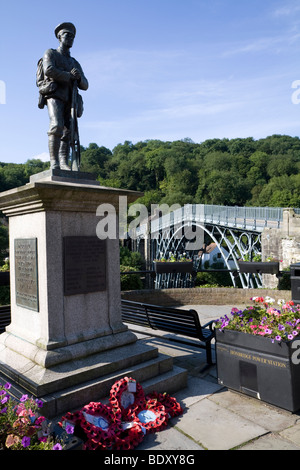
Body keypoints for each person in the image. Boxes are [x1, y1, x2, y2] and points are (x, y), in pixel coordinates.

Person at [38, 22, 88, 170]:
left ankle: (64, 162)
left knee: (68, 131)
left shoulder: (74, 62)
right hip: (55, 95)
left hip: (70, 99)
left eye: (73, 36)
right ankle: (54, 162)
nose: (71, 38)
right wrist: (68, 75)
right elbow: (49, 70)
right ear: (59, 37)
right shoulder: (51, 53)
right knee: (56, 125)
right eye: (67, 35)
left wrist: (78, 78)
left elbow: (85, 85)